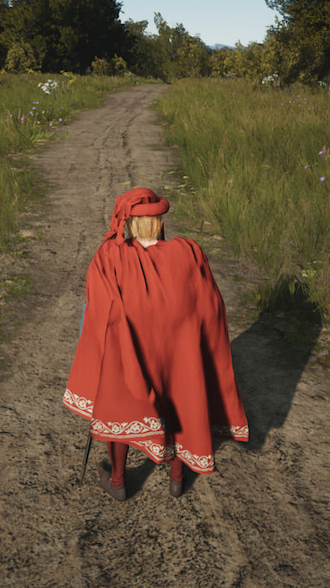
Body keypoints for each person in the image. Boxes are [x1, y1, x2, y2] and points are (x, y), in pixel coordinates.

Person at [63, 187, 249, 500]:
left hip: (129, 350)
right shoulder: (189, 251)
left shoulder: (110, 255)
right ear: (160, 221)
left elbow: (96, 309)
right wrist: (202, 345)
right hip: (180, 351)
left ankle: (119, 480)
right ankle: (177, 478)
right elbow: (210, 305)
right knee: (180, 401)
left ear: (128, 222)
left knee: (117, 407)